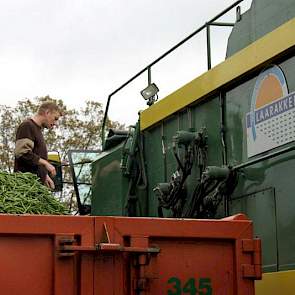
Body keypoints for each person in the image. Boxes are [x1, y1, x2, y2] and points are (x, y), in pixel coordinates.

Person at [14, 101, 62, 189]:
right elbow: (22, 152)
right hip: (25, 187)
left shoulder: (38, 131)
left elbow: (34, 160)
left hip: (35, 187)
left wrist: (44, 175)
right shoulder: (27, 126)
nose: (55, 123)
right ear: (47, 113)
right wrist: (46, 164)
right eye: (55, 118)